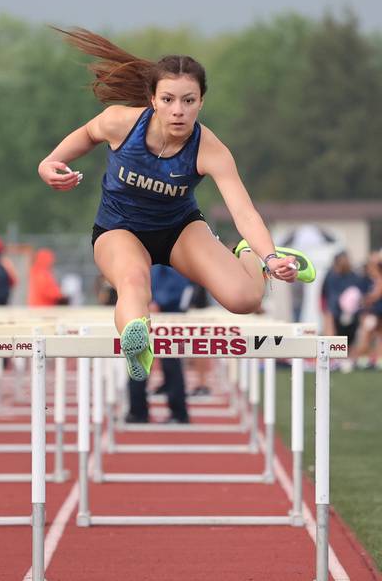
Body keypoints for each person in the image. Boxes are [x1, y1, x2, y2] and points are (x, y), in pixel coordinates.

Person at [38, 28, 315, 381]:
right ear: (152, 99)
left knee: (245, 300)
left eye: (189, 101)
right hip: (118, 229)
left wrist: (271, 257)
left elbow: (243, 211)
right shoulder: (121, 123)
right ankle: (136, 342)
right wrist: (48, 163)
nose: (178, 111)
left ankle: (247, 254)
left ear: (201, 102)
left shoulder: (209, 149)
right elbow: (88, 134)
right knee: (133, 281)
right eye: (168, 100)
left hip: (179, 230)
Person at [126, 265, 192, 424]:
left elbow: (180, 283)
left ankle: (177, 413)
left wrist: (156, 301)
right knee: (139, 360)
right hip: (149, 311)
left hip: (166, 315)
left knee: (170, 364)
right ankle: (138, 411)